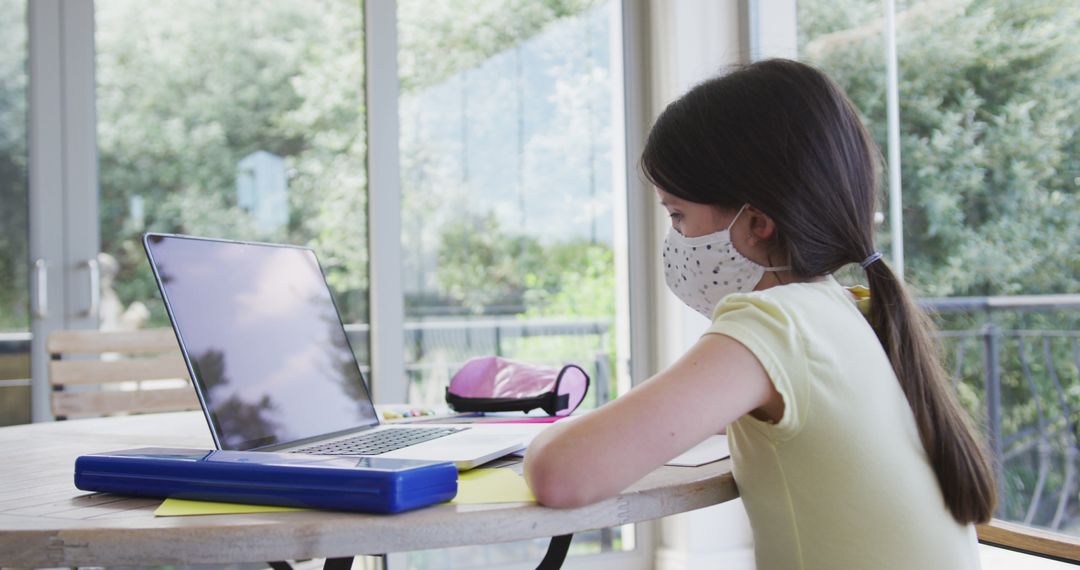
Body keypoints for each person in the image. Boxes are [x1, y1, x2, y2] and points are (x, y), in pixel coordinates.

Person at [523, 59, 996, 569]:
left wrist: (538, 439)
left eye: (678, 214)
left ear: (757, 223)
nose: (674, 237)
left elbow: (561, 474)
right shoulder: (842, 308)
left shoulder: (773, 322)